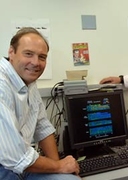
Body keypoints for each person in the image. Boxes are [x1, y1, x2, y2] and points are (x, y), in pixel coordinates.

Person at [0, 27, 80, 180]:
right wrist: (59, 166)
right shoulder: (2, 86)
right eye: (28, 54)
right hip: (6, 166)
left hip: (23, 163)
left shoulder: (27, 80)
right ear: (11, 52)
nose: (36, 63)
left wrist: (60, 169)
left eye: (42, 57)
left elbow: (42, 125)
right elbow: (16, 157)